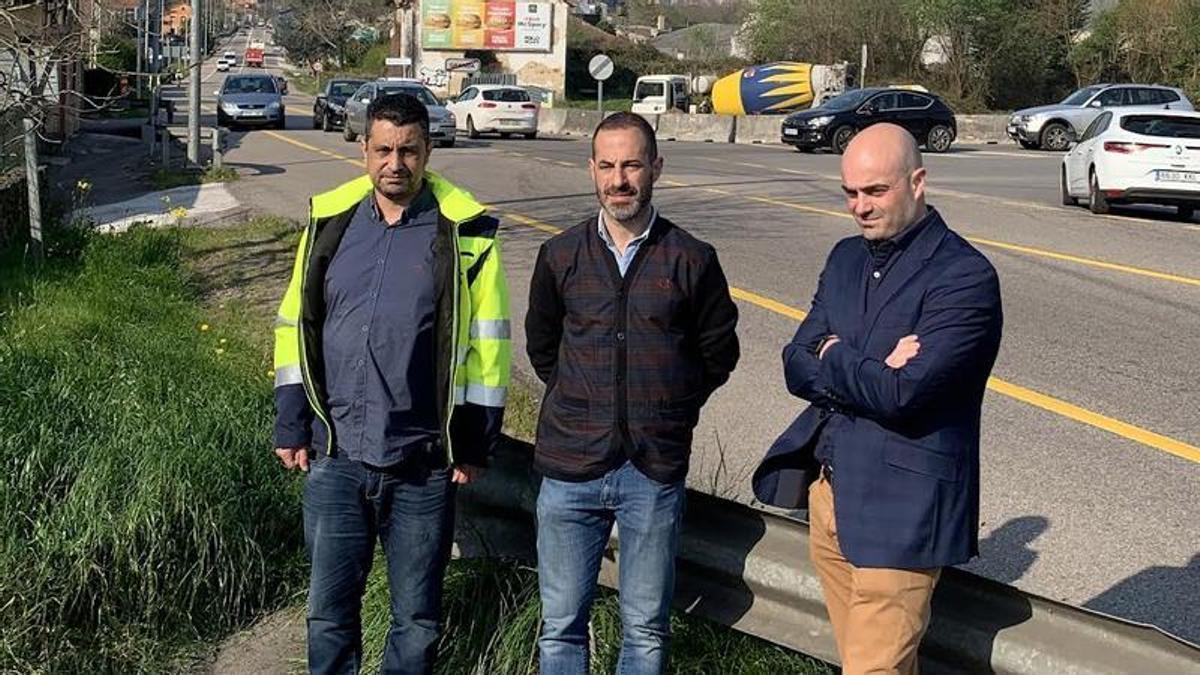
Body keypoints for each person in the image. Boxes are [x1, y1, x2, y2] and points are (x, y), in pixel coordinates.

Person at [272, 93, 511, 675]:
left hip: (422, 462)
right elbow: (294, 324)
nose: (395, 163)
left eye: (408, 150)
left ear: (428, 151)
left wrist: (473, 440)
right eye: (383, 150)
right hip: (337, 454)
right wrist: (291, 418)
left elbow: (490, 345)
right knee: (328, 613)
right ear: (364, 152)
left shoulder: (465, 235)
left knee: (417, 619)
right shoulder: (330, 222)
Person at [752, 123, 1003, 675]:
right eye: (850, 193)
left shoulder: (964, 277)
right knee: (870, 664)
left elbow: (901, 393)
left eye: (875, 191)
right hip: (830, 494)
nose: (860, 207)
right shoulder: (845, 258)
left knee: (871, 670)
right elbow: (796, 362)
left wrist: (837, 352)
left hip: (903, 511)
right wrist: (868, 361)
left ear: (918, 182)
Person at [524, 112, 740, 674]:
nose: (619, 179)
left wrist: (668, 409)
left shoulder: (692, 258)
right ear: (592, 169)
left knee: (645, 630)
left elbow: (719, 352)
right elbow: (543, 347)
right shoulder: (560, 255)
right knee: (561, 627)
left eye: (632, 165)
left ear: (656, 169)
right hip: (570, 468)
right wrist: (584, 403)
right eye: (607, 165)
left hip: (652, 472)